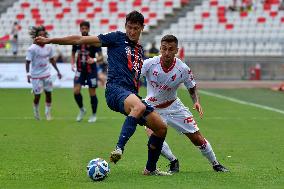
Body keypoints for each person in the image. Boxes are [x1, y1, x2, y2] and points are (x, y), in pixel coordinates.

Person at [35, 10, 171, 176]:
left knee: (161, 128)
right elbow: (79, 39)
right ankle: (118, 148)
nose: (132, 31)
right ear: (125, 26)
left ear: (142, 28)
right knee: (138, 106)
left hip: (131, 95)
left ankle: (150, 169)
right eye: (129, 27)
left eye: (136, 28)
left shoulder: (140, 50)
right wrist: (50, 40)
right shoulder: (116, 38)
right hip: (115, 90)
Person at [141, 34, 229, 172]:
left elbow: (192, 87)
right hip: (152, 109)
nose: (167, 52)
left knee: (197, 138)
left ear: (176, 50)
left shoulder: (183, 69)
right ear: (160, 48)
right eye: (164, 49)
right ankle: (173, 161)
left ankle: (216, 164)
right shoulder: (149, 64)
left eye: (171, 49)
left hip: (174, 107)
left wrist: (196, 101)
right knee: (154, 139)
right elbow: (133, 78)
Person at [25, 26, 62, 120]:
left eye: (43, 35)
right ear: (36, 37)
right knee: (37, 96)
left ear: (46, 36)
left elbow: (52, 60)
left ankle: (47, 113)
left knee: (49, 94)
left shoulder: (49, 47)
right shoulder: (32, 49)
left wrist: (58, 71)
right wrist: (28, 74)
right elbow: (27, 62)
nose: (42, 36)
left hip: (46, 74)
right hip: (36, 76)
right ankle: (36, 112)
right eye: (40, 35)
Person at [71, 21, 104, 122]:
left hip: (91, 70)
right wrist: (72, 63)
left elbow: (101, 57)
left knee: (92, 92)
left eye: (86, 28)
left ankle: (93, 114)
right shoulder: (76, 41)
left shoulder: (93, 41)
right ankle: (82, 110)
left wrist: (93, 60)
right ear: (80, 29)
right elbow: (73, 53)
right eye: (82, 28)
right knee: (76, 91)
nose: (84, 30)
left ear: (89, 29)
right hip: (80, 70)